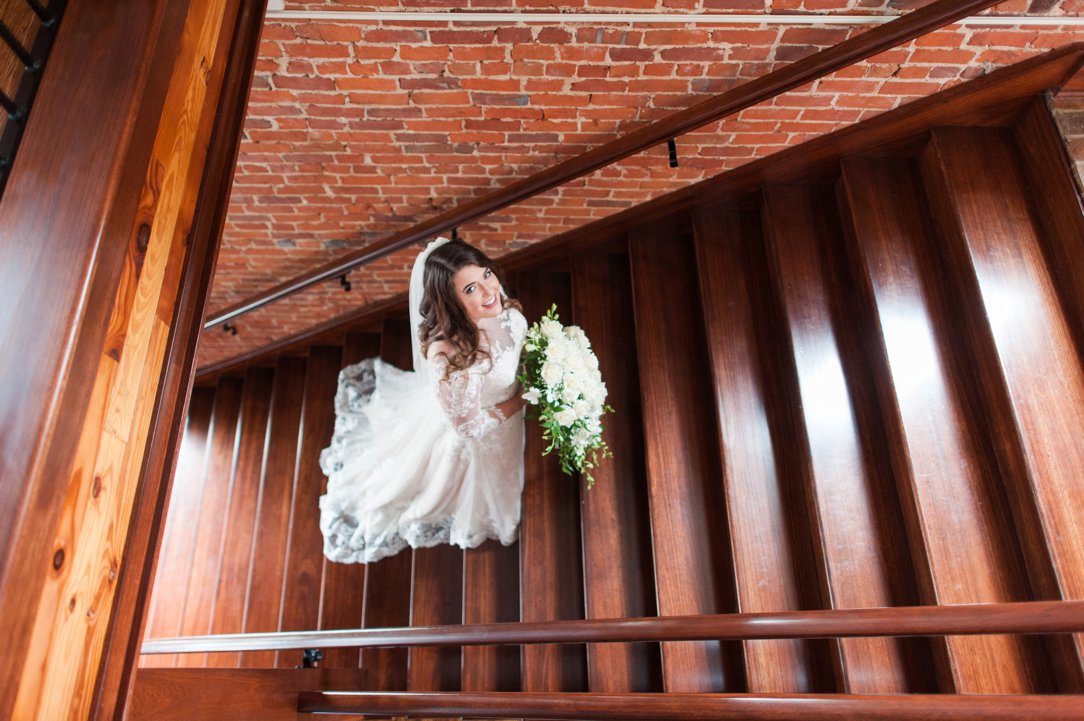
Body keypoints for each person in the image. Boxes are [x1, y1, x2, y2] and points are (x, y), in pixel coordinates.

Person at [318, 237, 528, 564]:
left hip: (508, 403)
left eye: (486, 275)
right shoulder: (450, 359)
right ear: (453, 303)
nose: (489, 291)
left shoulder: (498, 302)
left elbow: (511, 343)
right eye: (470, 289)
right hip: (489, 429)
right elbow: (469, 427)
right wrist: (521, 401)